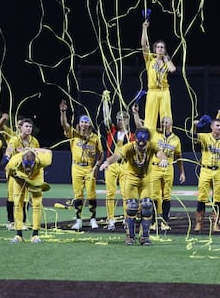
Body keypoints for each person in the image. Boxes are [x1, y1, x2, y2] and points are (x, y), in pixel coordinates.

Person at [99, 127, 168, 245]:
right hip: (131, 179)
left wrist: (164, 160)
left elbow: (160, 153)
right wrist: (107, 162)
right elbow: (117, 155)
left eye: (143, 143)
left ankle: (145, 236)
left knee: (147, 206)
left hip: (146, 180)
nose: (141, 146)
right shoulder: (129, 147)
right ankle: (130, 236)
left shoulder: (151, 146)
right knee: (131, 207)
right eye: (139, 143)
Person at [59, 100, 103, 230]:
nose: (84, 124)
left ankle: (93, 218)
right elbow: (64, 125)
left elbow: (100, 154)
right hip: (76, 167)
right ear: (79, 123)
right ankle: (78, 219)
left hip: (89, 167)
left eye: (86, 122)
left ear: (89, 124)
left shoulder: (95, 137)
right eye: (82, 121)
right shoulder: (74, 134)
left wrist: (96, 166)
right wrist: (63, 112)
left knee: (91, 194)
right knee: (78, 195)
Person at [191, 114, 220, 232]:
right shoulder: (205, 137)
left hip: (219, 170)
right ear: (211, 127)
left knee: (218, 198)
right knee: (202, 197)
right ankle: (199, 223)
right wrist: (195, 126)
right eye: (217, 126)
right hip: (205, 169)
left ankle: (215, 223)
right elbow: (192, 137)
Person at [6, 148, 53, 243]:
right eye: (26, 166)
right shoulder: (13, 162)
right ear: (22, 161)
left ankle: (35, 235)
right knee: (17, 204)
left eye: (30, 166)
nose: (27, 169)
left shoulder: (43, 160)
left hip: (36, 177)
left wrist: (34, 149)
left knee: (37, 204)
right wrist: (19, 178)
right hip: (20, 179)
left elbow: (49, 152)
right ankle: (18, 235)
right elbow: (9, 171)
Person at [148, 114, 185, 230]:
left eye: (166, 122)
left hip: (169, 168)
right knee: (154, 196)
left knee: (166, 196)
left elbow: (178, 157)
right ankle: (153, 221)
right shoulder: (155, 135)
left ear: (171, 124)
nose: (164, 124)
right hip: (155, 167)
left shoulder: (176, 139)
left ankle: (164, 221)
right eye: (162, 122)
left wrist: (182, 172)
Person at [140, 17, 176, 133]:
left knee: (166, 116)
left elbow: (172, 69)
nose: (160, 49)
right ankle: (148, 138)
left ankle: (166, 138)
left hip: (164, 91)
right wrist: (144, 28)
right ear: (154, 49)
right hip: (152, 91)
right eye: (158, 47)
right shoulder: (150, 59)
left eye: (162, 47)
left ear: (164, 50)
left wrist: (166, 59)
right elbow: (143, 44)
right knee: (150, 117)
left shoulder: (166, 61)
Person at [4, 117, 39, 230]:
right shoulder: (15, 139)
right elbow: (9, 150)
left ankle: (22, 222)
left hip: (28, 174)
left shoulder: (34, 141)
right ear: (21, 128)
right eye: (26, 126)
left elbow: (37, 155)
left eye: (30, 127)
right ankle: (11, 222)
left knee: (25, 199)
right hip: (15, 173)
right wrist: (7, 157)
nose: (28, 129)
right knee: (11, 197)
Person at [104, 109, 133, 231]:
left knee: (125, 194)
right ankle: (111, 219)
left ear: (127, 120)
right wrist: (105, 102)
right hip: (111, 165)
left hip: (125, 165)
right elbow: (106, 118)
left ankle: (127, 219)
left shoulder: (131, 136)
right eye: (119, 119)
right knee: (110, 193)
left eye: (123, 119)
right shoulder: (112, 131)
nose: (120, 121)